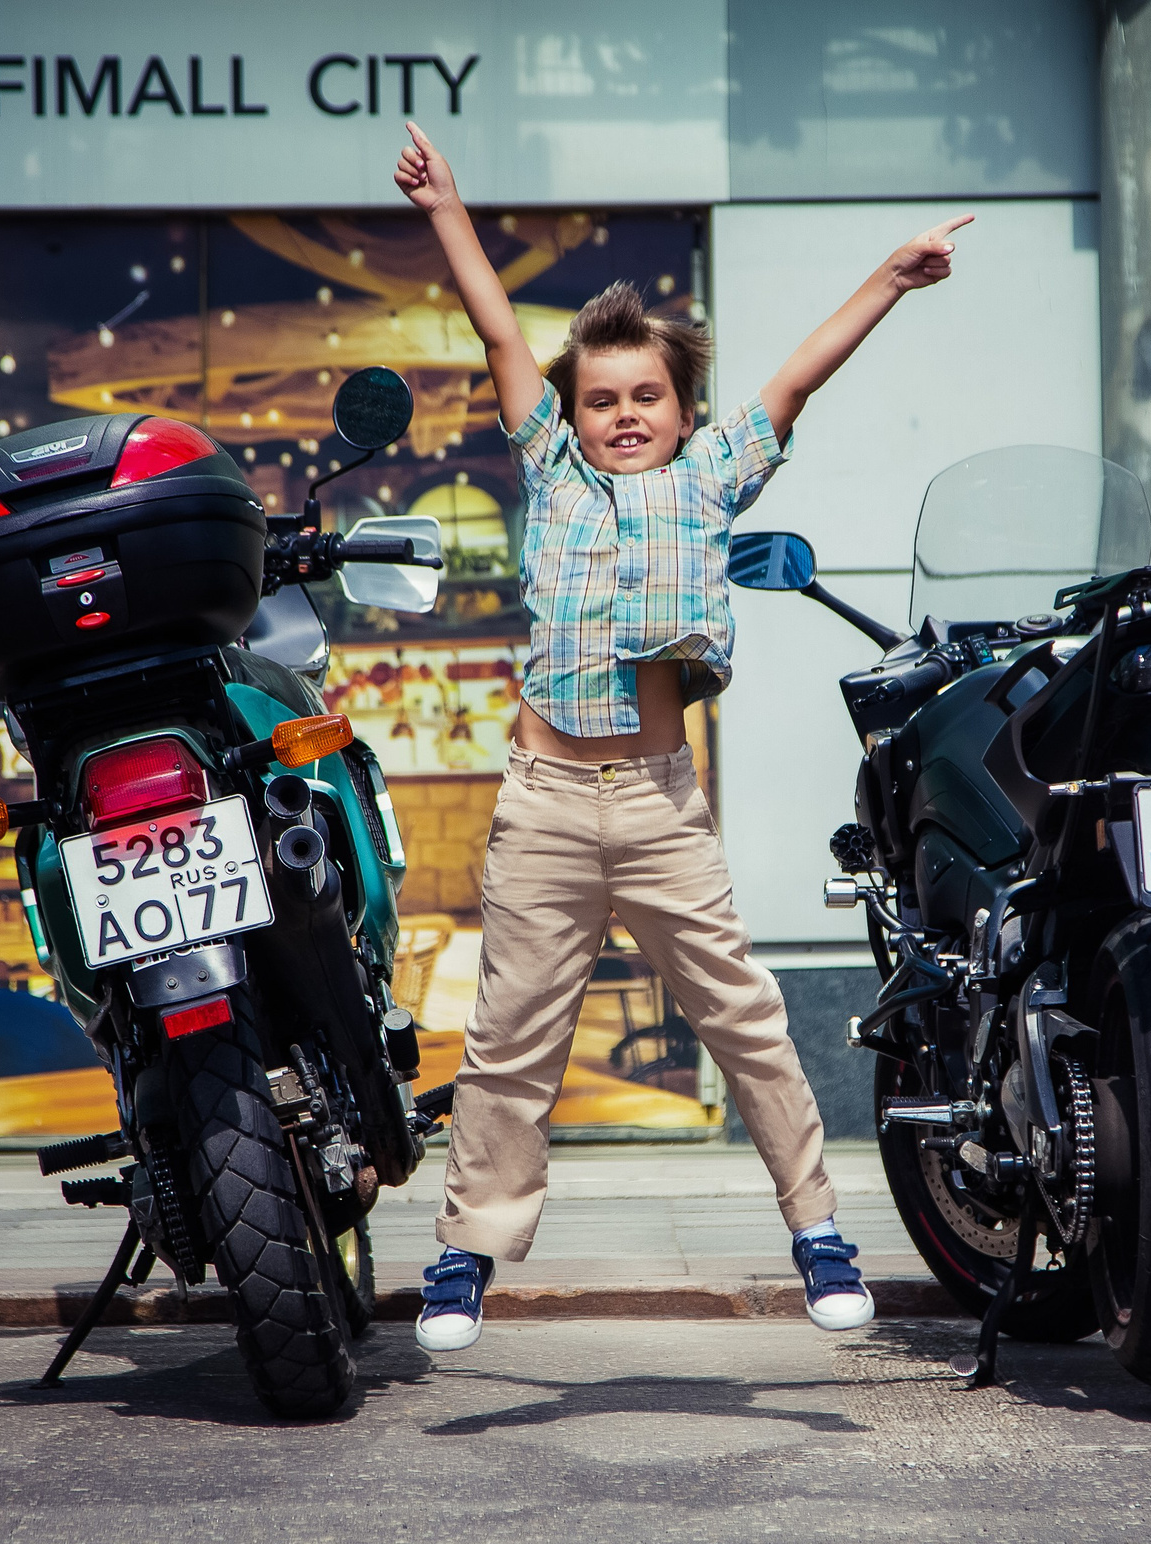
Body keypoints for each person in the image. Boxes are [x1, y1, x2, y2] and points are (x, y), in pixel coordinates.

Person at [392, 120, 968, 1351]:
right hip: (545, 801)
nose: (624, 415)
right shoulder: (549, 471)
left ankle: (817, 1230)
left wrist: (890, 278)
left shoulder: (711, 476)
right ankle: (465, 1252)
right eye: (601, 400)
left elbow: (799, 378)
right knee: (508, 1045)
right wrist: (449, 205)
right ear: (571, 414)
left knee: (746, 1021)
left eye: (645, 395)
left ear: (682, 405)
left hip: (658, 807)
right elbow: (501, 331)